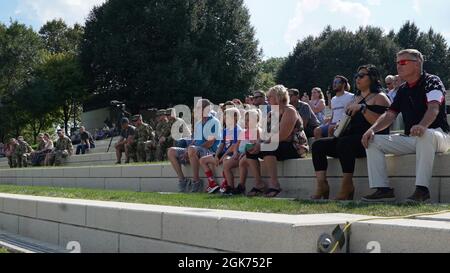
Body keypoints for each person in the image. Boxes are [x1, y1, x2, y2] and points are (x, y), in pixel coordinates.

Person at [361, 49, 450, 204]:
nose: (398, 66)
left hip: (438, 135)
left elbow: (433, 108)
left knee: (426, 134)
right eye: (397, 63)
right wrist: (372, 129)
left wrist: (422, 125)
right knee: (372, 140)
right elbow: (390, 115)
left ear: (417, 64)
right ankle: (383, 190)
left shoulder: (432, 81)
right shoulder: (402, 89)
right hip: (413, 137)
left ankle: (422, 190)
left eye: (403, 62)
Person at [311, 65, 391, 201]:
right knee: (318, 145)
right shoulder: (355, 99)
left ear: (372, 78)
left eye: (361, 76)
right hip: (349, 138)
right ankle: (321, 185)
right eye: (356, 76)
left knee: (344, 143)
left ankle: (347, 185)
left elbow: (381, 124)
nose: (357, 79)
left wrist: (362, 108)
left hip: (369, 140)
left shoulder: (380, 97)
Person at [246, 85, 306, 198]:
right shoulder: (271, 113)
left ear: (279, 97)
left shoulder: (289, 111)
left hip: (295, 146)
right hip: (278, 144)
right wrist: (258, 143)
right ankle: (259, 184)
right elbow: (265, 134)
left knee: (268, 147)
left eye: (270, 96)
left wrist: (263, 144)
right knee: (250, 150)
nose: (267, 99)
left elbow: (283, 135)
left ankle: (275, 185)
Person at [167, 99, 221, 193]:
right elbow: (195, 140)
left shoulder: (215, 122)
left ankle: (196, 181)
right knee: (171, 151)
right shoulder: (198, 123)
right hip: (196, 150)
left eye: (198, 107)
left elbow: (211, 142)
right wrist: (187, 150)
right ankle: (182, 181)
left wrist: (192, 149)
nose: (196, 109)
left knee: (192, 149)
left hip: (210, 151)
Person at [199, 107, 243, 194]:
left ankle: (228, 185)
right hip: (224, 153)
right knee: (202, 160)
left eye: (227, 117)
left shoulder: (237, 130)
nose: (225, 119)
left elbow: (233, 147)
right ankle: (212, 183)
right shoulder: (226, 130)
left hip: (232, 153)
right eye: (225, 117)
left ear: (235, 117)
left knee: (225, 161)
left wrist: (221, 157)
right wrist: (216, 156)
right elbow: (222, 144)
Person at [223, 109, 262, 196]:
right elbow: (237, 145)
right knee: (226, 165)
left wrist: (244, 153)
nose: (247, 122)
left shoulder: (257, 131)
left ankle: (241, 186)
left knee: (242, 161)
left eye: (249, 120)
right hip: (239, 154)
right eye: (246, 120)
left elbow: (254, 144)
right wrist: (235, 152)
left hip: (247, 154)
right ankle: (230, 187)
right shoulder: (244, 132)